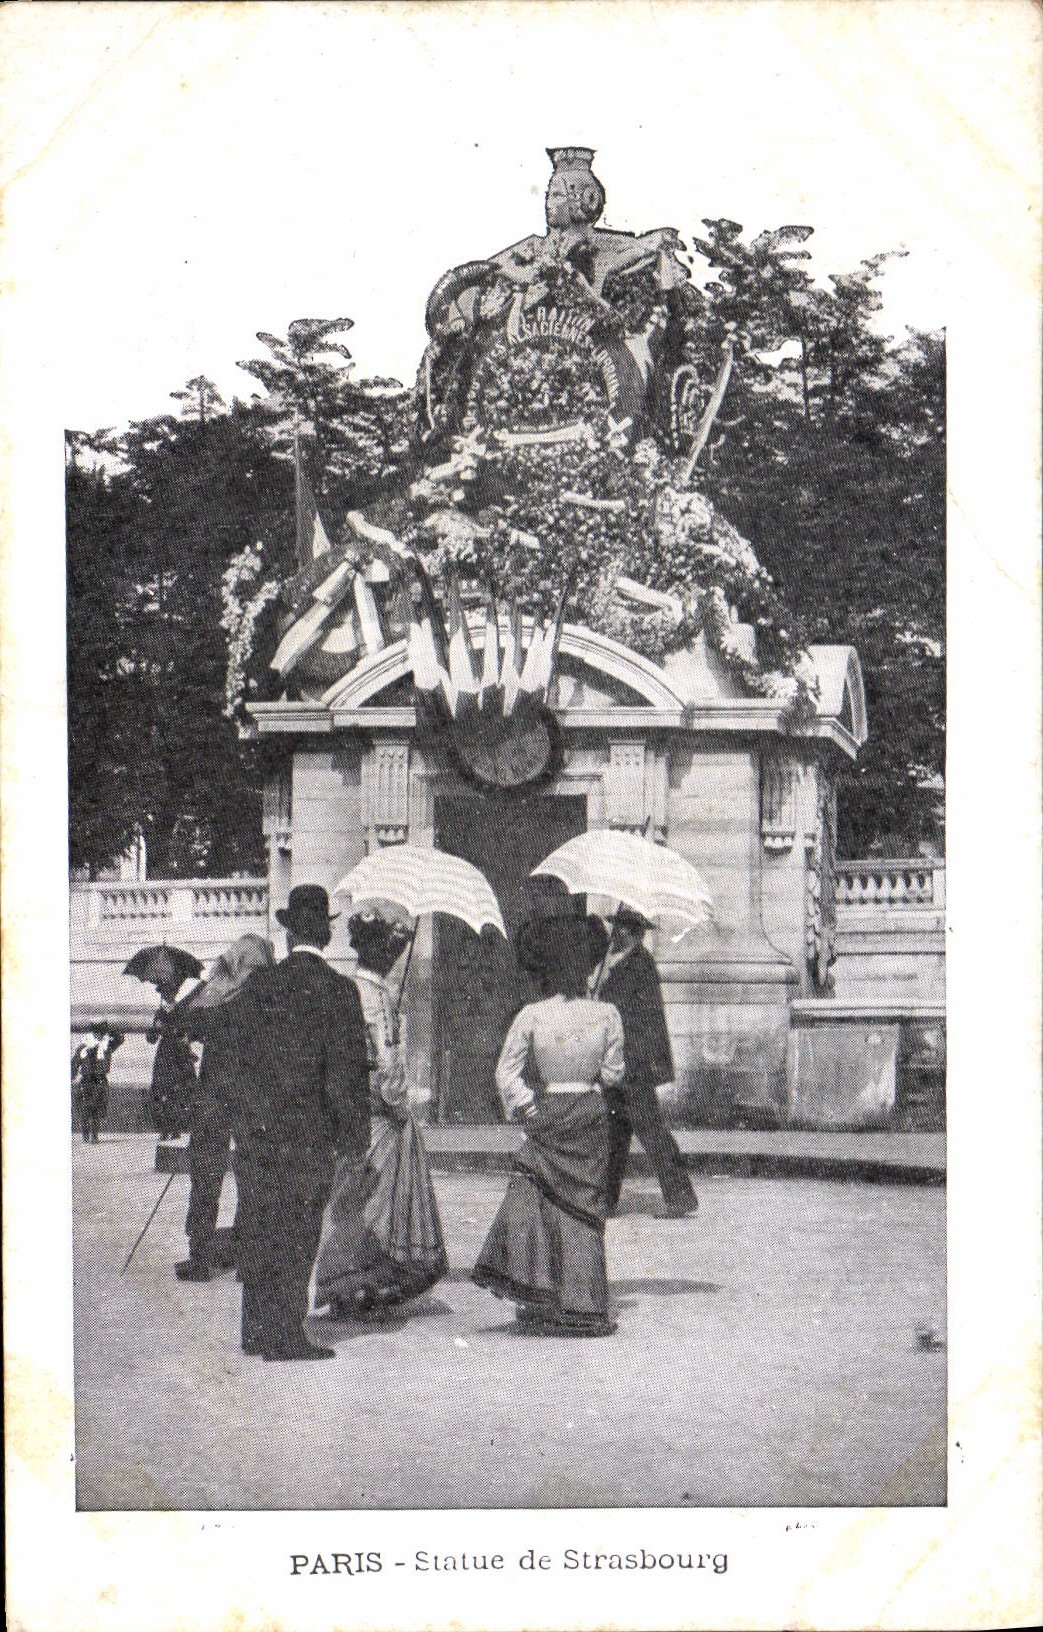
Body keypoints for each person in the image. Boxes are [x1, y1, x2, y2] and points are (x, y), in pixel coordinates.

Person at [230, 885, 371, 1362]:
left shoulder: (258, 986)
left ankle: (254, 1330)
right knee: (296, 1230)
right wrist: (355, 1138)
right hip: (307, 1133)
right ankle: (286, 1334)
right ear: (327, 934)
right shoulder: (338, 991)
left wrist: (242, 1119)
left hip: (256, 1129)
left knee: (257, 1222)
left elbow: (236, 1059)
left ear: (289, 933)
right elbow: (344, 1076)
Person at [472, 915, 625, 1337]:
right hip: (589, 1113)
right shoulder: (607, 1014)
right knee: (584, 1208)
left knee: (543, 1202)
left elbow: (506, 1073)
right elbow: (613, 1075)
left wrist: (527, 1108)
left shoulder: (532, 1015)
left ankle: (543, 1296)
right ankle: (583, 1302)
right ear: (588, 964)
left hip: (549, 1110)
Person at [314, 912, 447, 1319]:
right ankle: (347, 1284)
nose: (392, 956)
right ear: (369, 949)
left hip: (378, 1111)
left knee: (377, 1202)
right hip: (373, 1112)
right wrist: (397, 1099)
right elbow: (380, 1061)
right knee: (362, 1198)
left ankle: (366, 1282)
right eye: (387, 949)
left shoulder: (380, 993)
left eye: (394, 950)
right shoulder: (363, 993)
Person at [172, 934, 275, 1283]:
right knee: (253, 1174)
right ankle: (248, 1259)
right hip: (254, 1095)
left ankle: (199, 1255)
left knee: (205, 1173)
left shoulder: (215, 994)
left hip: (213, 1094)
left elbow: (184, 1023)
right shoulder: (268, 998)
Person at [587, 910, 698, 1218]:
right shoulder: (620, 964)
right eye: (617, 927)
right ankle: (606, 1200)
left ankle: (680, 1197)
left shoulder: (640, 964)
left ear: (636, 933)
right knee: (615, 1132)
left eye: (623, 929)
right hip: (621, 1063)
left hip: (634, 1064)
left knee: (650, 1130)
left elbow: (634, 1016)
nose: (616, 934)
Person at [145, 971, 199, 1140]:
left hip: (180, 1054)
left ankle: (175, 1127)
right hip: (165, 1054)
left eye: (171, 992)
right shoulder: (159, 1013)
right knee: (162, 1090)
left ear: (175, 993)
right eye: (165, 993)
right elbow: (151, 1039)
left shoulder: (182, 1010)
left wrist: (184, 1036)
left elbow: (189, 1031)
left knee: (179, 1091)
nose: (168, 996)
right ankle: (165, 1128)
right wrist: (156, 1028)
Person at [71, 1022, 124, 1143]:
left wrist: (111, 1031)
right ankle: (85, 1135)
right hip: (87, 1081)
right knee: (85, 1109)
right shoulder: (84, 1047)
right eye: (97, 1033)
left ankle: (94, 1135)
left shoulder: (106, 1046)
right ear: (93, 1033)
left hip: (101, 1079)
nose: (99, 1035)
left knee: (98, 1109)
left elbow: (120, 1039)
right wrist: (72, 1075)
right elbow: (74, 1062)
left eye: (102, 1033)